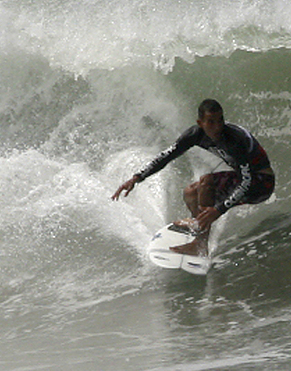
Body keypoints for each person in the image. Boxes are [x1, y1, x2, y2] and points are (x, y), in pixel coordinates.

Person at [112, 99, 276, 255]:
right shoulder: (195, 134)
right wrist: (136, 178)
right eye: (211, 122)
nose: (218, 126)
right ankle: (198, 226)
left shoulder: (234, 139)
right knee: (191, 191)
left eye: (220, 120)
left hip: (261, 184)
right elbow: (166, 157)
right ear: (200, 123)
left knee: (206, 181)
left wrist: (218, 210)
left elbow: (247, 181)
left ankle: (199, 243)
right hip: (245, 179)